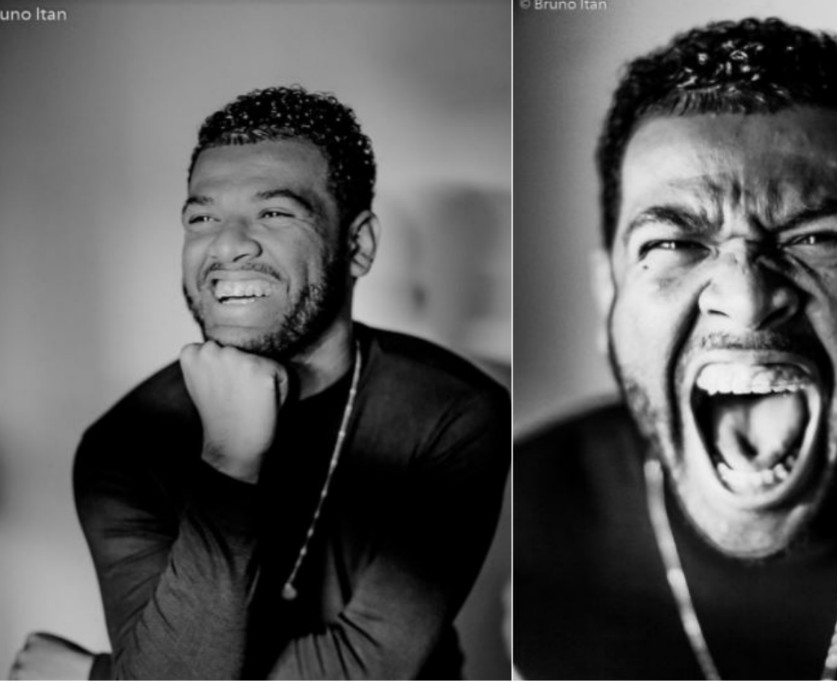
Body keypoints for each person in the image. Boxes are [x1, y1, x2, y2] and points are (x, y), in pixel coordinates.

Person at [514, 17, 837, 680]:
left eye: (817, 239)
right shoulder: (499, 527)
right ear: (608, 296)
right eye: (670, 244)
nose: (747, 299)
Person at [11, 86, 509, 680]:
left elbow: (365, 670)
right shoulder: (123, 444)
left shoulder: (454, 412)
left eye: (274, 212)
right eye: (202, 217)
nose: (227, 244)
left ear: (358, 245)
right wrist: (230, 458)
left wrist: (100, 676)